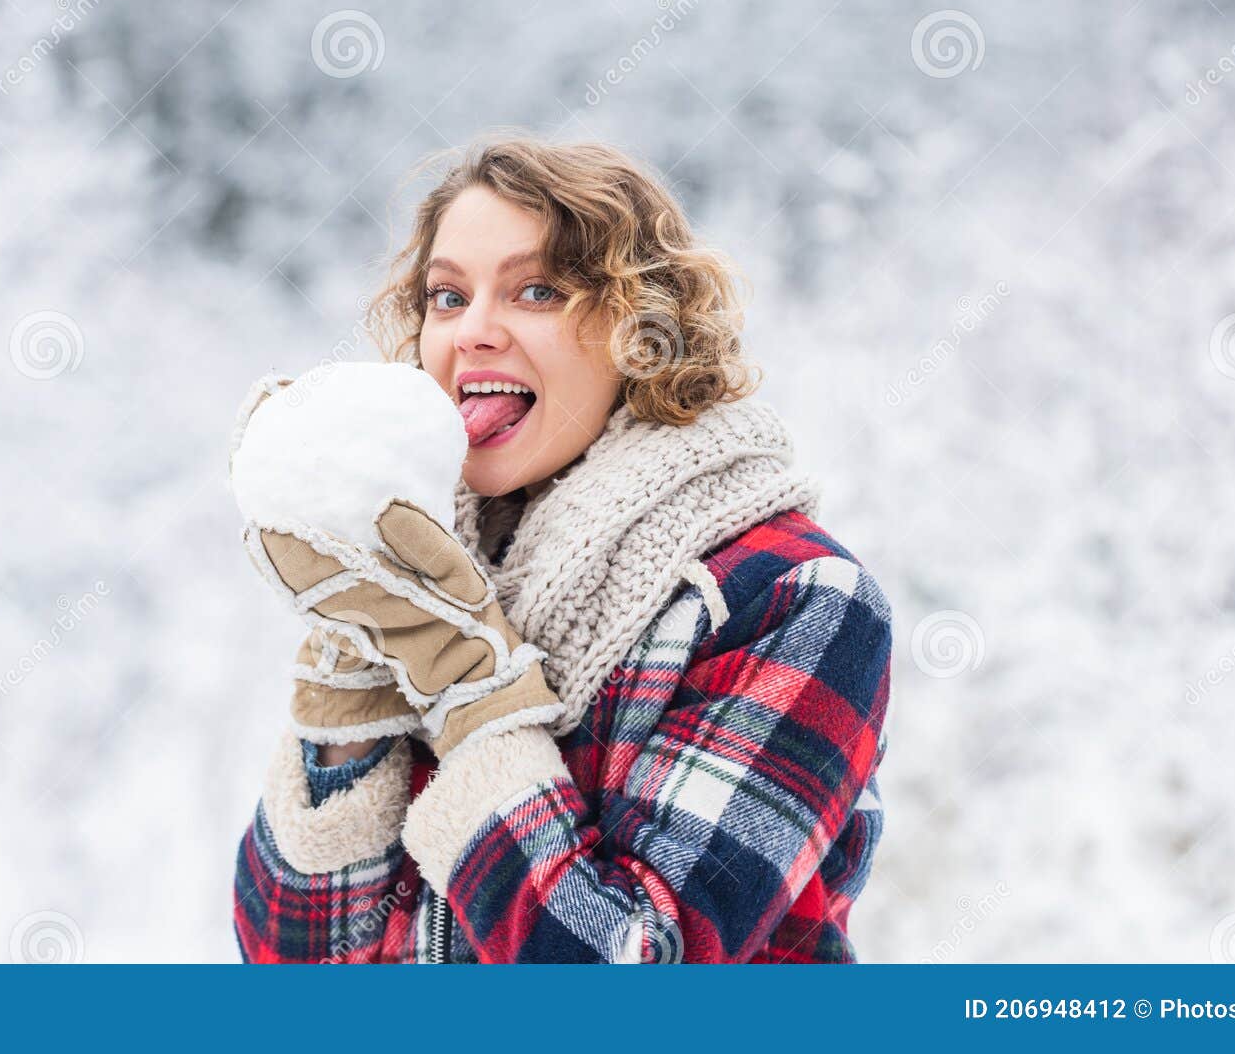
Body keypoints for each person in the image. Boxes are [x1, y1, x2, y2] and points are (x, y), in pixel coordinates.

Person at [232, 134, 893, 963]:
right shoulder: (431, 575)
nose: (472, 332)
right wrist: (351, 693)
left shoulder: (792, 596)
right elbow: (294, 969)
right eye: (446, 297)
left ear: (642, 330)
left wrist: (475, 692)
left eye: (536, 290)